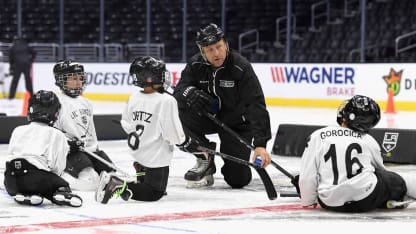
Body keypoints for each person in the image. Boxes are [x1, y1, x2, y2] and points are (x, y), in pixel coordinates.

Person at [172, 23, 272, 188]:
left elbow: (256, 105)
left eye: (218, 47)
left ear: (225, 44)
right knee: (174, 113)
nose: (216, 53)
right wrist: (188, 92)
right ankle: (205, 157)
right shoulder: (195, 64)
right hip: (208, 118)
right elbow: (179, 90)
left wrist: (260, 145)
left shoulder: (241, 67)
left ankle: (232, 167)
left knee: (237, 179)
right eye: (210, 50)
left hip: (236, 125)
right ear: (202, 51)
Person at [95, 56, 199, 204]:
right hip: (156, 156)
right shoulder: (166, 101)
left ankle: (141, 171)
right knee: (154, 193)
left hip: (140, 152)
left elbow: (126, 123)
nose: (164, 76)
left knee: (146, 182)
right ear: (150, 78)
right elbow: (173, 134)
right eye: (159, 73)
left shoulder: (134, 97)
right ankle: (117, 185)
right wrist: (186, 142)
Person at [298, 95, 416, 212]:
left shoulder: (317, 136)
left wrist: (308, 201)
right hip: (365, 199)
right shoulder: (369, 140)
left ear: (348, 117)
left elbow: (307, 176)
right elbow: (381, 172)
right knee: (397, 180)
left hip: (329, 202)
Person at [4, 90, 82, 207]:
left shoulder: (18, 130)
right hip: (36, 179)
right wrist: (54, 179)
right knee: (61, 184)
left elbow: (11, 156)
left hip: (10, 181)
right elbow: (58, 167)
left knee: (30, 181)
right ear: (55, 113)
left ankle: (26, 195)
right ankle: (58, 193)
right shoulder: (56, 134)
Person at [52, 60, 115, 191]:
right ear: (60, 80)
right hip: (73, 152)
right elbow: (51, 132)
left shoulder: (86, 102)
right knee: (91, 182)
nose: (78, 82)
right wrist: (68, 144)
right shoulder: (56, 103)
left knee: (114, 177)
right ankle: (60, 177)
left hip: (92, 151)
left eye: (80, 78)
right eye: (73, 78)